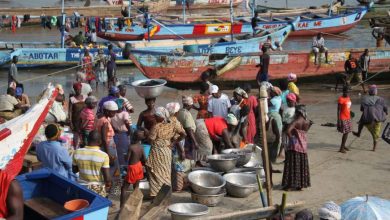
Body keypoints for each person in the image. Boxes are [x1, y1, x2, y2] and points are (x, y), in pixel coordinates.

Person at [146, 107, 186, 197]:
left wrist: (146, 133)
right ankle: (166, 192)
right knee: (166, 172)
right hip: (167, 151)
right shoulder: (173, 124)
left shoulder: (156, 127)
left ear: (161, 117)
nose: (155, 118)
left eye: (156, 116)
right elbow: (183, 134)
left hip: (157, 152)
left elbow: (150, 140)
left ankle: (156, 194)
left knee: (155, 173)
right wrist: (173, 142)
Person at [282, 105, 312, 191]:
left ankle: (290, 185)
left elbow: (288, 131)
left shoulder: (296, 121)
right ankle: (300, 185)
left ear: (298, 112)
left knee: (292, 165)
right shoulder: (307, 122)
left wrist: (292, 139)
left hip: (295, 146)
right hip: (303, 145)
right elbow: (305, 131)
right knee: (301, 165)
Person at [72, 131, 111, 197]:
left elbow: (74, 170)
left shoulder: (77, 152)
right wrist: (108, 185)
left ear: (87, 139)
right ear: (99, 141)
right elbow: (107, 179)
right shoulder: (104, 156)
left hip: (81, 187)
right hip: (97, 189)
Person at [96, 100, 121, 195]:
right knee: (113, 168)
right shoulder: (105, 121)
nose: (114, 114)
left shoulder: (99, 117)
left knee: (104, 168)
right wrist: (108, 154)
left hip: (103, 146)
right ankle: (111, 191)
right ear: (106, 111)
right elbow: (104, 138)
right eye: (113, 112)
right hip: (108, 147)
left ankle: (105, 189)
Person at [353, 85, 388, 151]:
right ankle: (374, 147)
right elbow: (385, 108)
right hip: (379, 118)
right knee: (376, 131)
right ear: (375, 92)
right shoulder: (381, 99)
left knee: (361, 122)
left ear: (369, 92)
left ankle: (358, 133)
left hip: (368, 118)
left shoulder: (365, 99)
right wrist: (386, 112)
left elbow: (362, 109)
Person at [120, 129, 146, 208]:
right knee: (136, 187)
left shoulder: (131, 147)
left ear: (133, 137)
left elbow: (127, 160)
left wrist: (125, 156)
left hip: (132, 168)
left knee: (124, 188)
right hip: (139, 166)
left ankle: (122, 206)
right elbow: (144, 159)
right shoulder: (141, 147)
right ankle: (135, 205)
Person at [111, 99, 132, 167]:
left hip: (115, 134)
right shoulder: (124, 113)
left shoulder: (113, 114)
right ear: (122, 106)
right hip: (124, 134)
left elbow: (111, 124)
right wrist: (129, 130)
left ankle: (118, 166)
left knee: (117, 150)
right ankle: (125, 166)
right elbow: (126, 121)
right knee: (125, 151)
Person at [69, 82, 87, 148]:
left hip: (84, 121)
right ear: (74, 90)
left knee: (84, 136)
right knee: (76, 137)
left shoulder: (85, 97)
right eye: (77, 90)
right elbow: (70, 111)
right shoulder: (72, 99)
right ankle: (76, 150)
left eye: (79, 89)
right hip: (75, 121)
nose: (78, 91)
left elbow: (88, 108)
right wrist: (70, 122)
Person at [268, 86, 283, 163]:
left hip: (273, 117)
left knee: (275, 136)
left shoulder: (273, 100)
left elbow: (266, 104)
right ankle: (274, 155)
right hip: (276, 116)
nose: (269, 92)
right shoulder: (279, 98)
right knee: (277, 136)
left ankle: (273, 156)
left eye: (270, 91)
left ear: (274, 93)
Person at [281, 93, 297, 159]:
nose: (288, 102)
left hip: (291, 129)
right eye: (287, 101)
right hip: (284, 127)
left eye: (290, 101)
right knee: (285, 143)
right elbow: (280, 110)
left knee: (292, 144)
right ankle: (287, 158)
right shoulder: (284, 106)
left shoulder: (296, 109)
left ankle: (292, 158)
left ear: (294, 101)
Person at [337, 86, 352, 153]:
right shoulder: (341, 99)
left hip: (348, 117)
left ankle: (343, 145)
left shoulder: (348, 98)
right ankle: (341, 148)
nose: (347, 93)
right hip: (343, 118)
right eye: (346, 91)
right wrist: (339, 120)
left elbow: (348, 108)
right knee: (345, 133)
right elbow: (338, 110)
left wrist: (351, 113)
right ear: (343, 91)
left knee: (347, 132)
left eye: (348, 91)